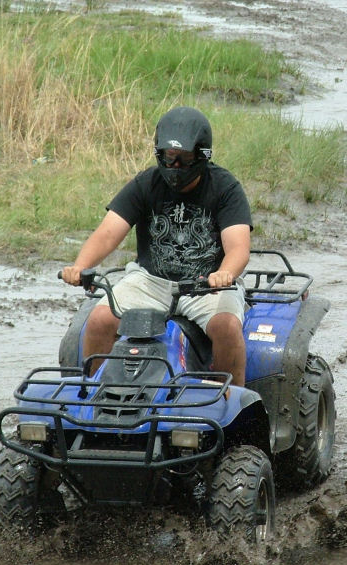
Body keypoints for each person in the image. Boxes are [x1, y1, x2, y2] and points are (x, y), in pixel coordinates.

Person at [61, 105, 252, 385]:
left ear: (202, 156)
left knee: (227, 326)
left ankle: (228, 398)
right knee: (100, 319)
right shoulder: (146, 183)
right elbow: (108, 233)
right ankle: (93, 395)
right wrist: (80, 266)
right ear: (158, 153)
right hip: (150, 280)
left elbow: (238, 247)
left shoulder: (225, 188)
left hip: (206, 285)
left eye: (183, 159)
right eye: (168, 157)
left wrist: (224, 274)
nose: (174, 166)